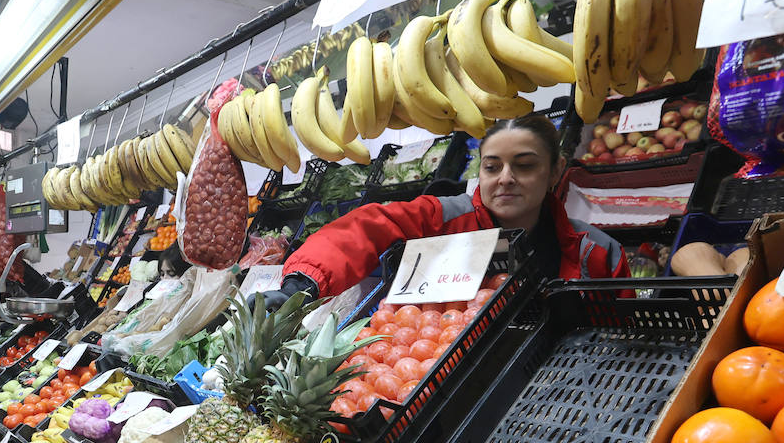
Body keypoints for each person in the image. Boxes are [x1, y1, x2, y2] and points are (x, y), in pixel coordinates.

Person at [264, 115, 630, 308]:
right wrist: (303, 284)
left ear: (555, 171)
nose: (505, 179)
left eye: (524, 165)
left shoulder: (596, 250)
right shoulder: (443, 217)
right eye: (492, 166)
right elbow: (362, 228)